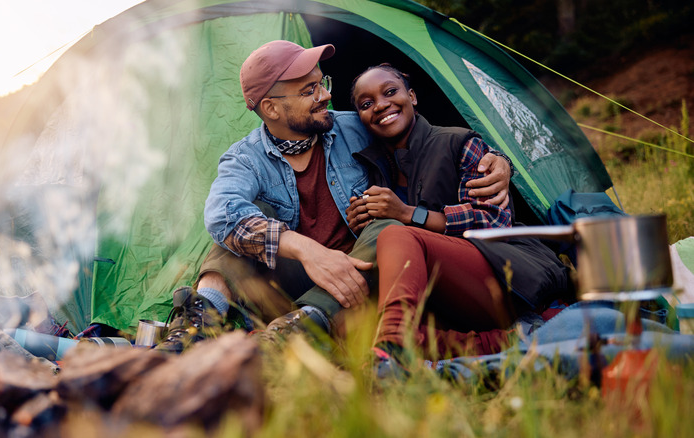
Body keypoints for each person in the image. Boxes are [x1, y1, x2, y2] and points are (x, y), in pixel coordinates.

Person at [154, 41, 513, 353]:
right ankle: (195, 327)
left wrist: (498, 159)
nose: (326, 95)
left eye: (322, 83)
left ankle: (305, 327)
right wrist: (307, 251)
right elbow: (220, 214)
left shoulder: (353, 126)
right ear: (272, 109)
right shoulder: (244, 158)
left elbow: (422, 132)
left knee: (387, 226)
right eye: (309, 90)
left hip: (366, 274)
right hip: (299, 281)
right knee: (237, 228)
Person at [347, 64, 572, 373]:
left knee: (396, 236)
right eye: (366, 103)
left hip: (503, 276)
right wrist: (364, 221)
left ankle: (392, 350)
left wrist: (406, 214)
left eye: (390, 92)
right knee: (366, 318)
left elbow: (493, 220)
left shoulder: (459, 143)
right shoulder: (373, 168)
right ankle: (511, 340)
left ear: (412, 96)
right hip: (442, 297)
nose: (381, 105)